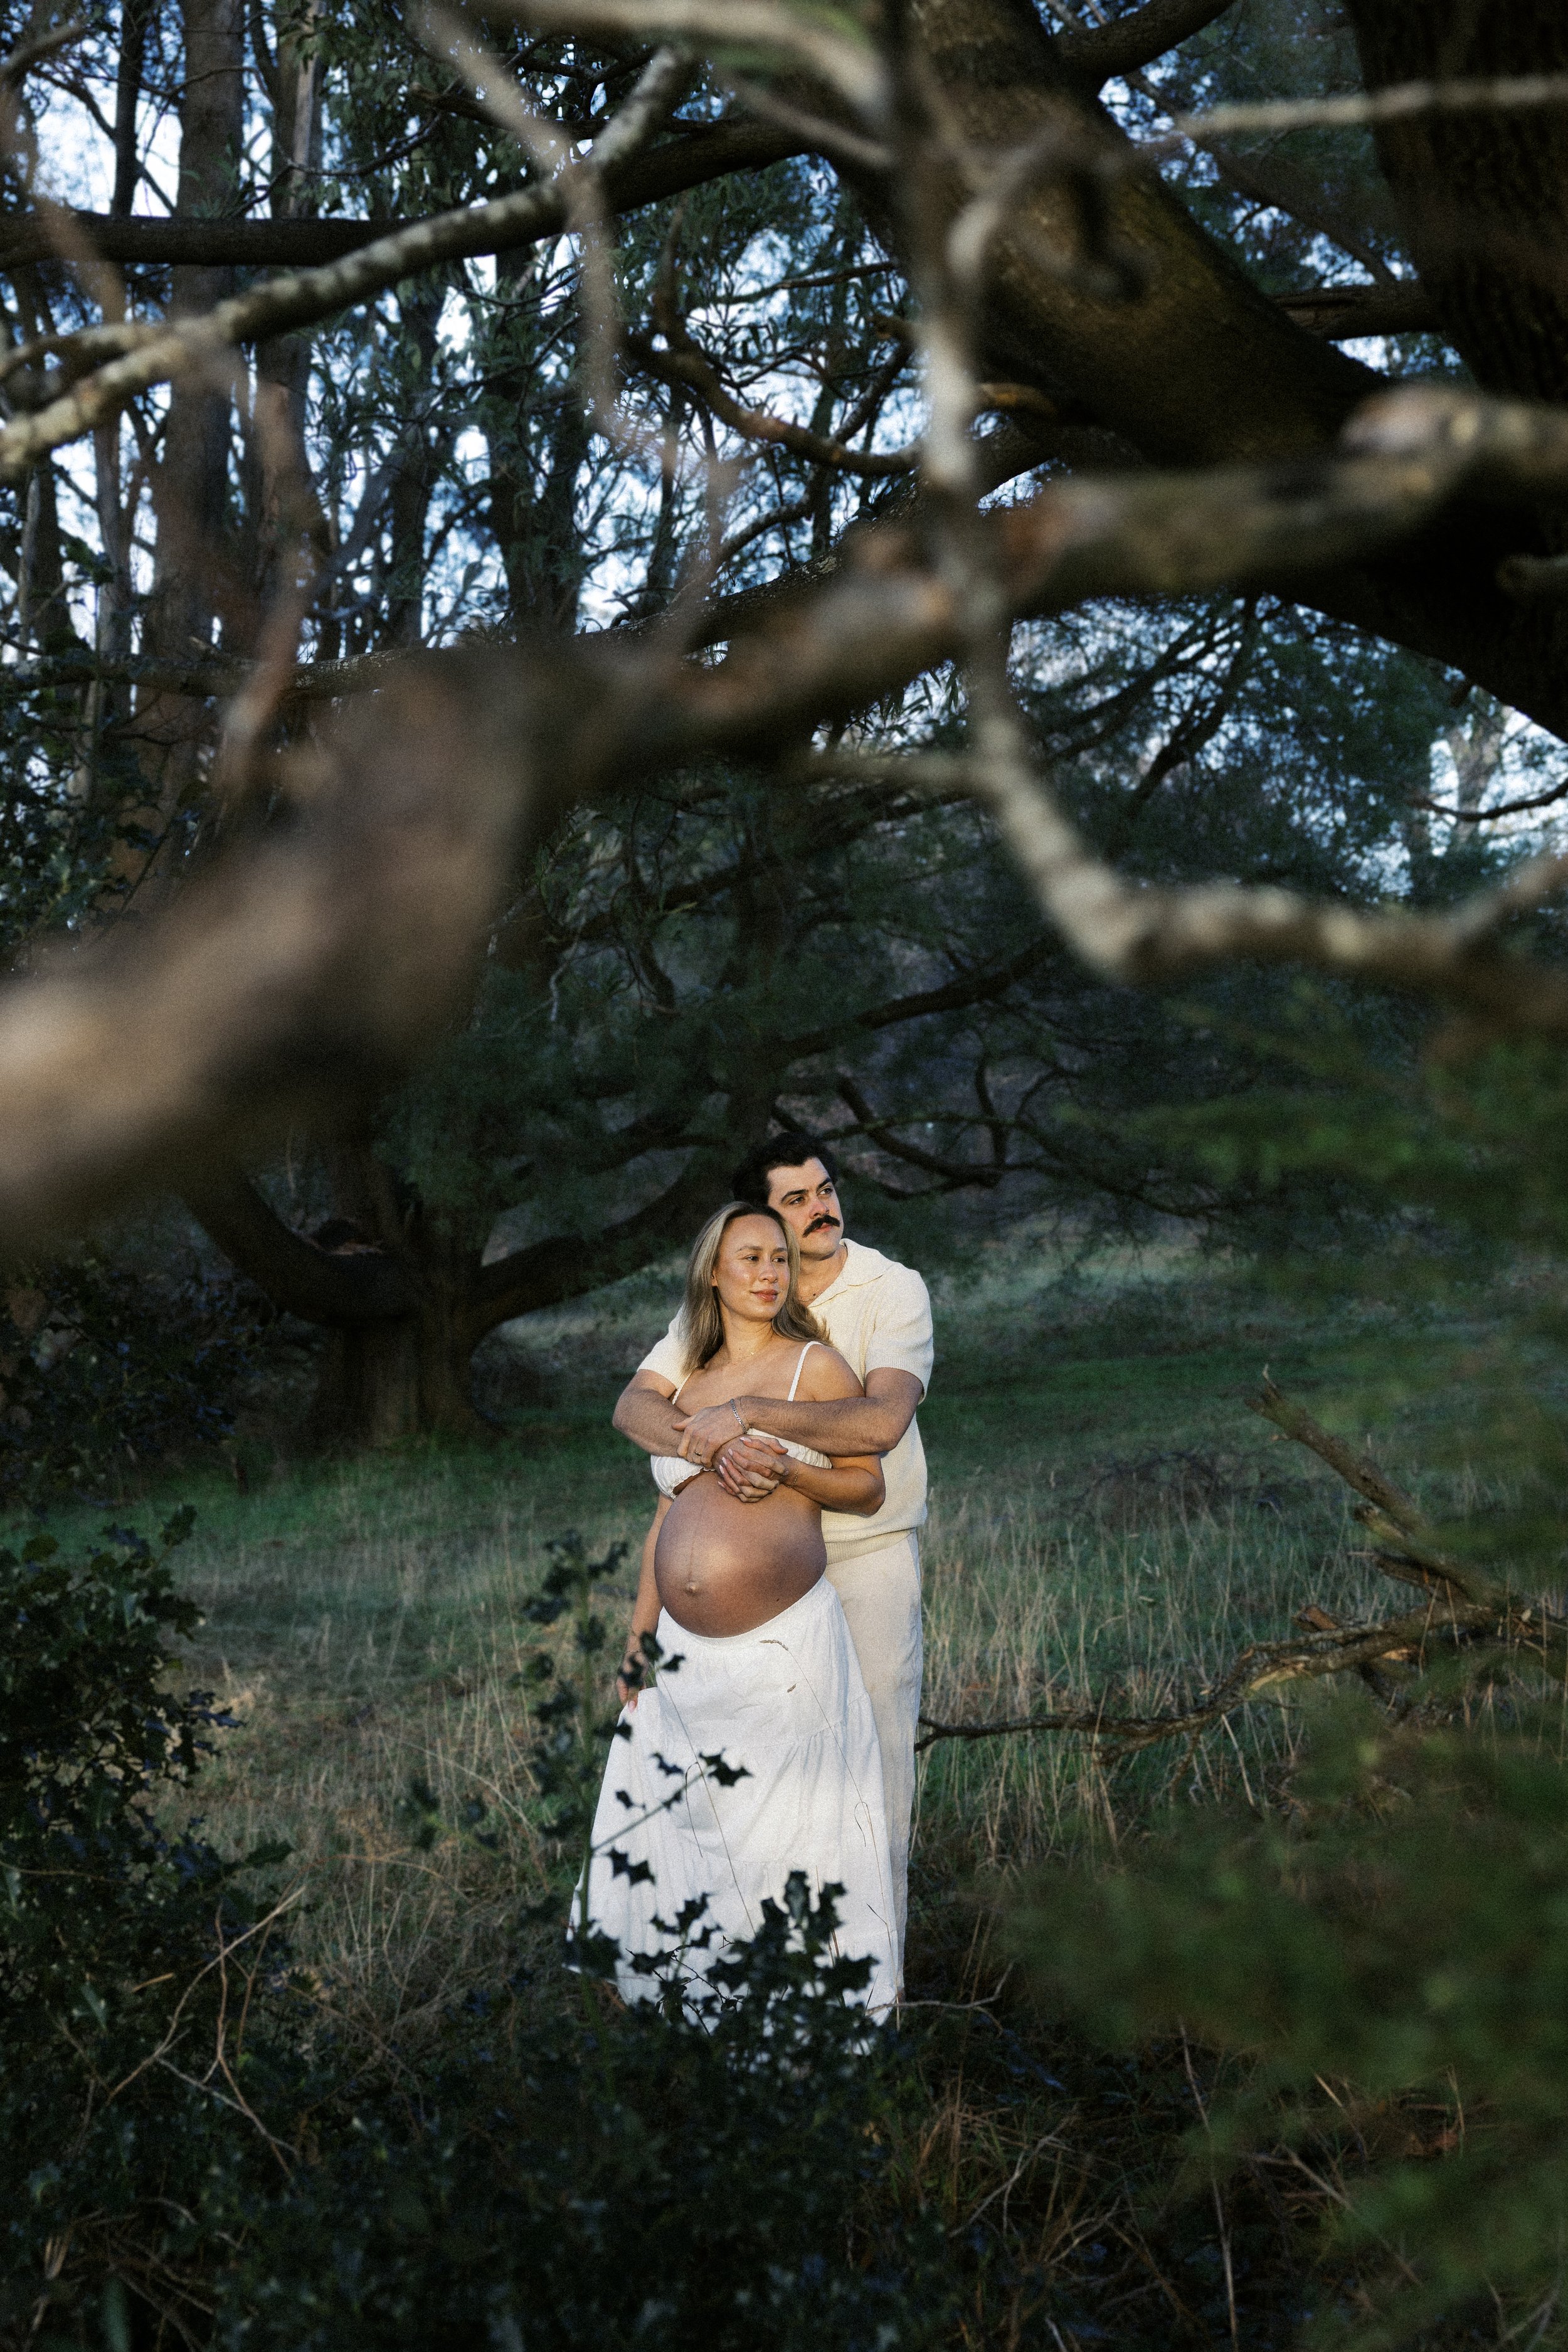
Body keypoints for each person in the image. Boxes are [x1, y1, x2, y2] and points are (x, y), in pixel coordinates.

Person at [613, 1133, 931, 1978]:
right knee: (704, 1816)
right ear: (735, 1245)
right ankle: (716, 1995)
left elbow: (877, 1431)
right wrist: (706, 1442)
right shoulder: (700, 1336)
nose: (822, 1208)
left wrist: (756, 1426)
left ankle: (862, 1992)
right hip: (698, 1639)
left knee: (856, 1794)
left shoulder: (887, 1292)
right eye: (796, 1200)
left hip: (851, 1569)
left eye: (826, 1189)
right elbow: (637, 1415)